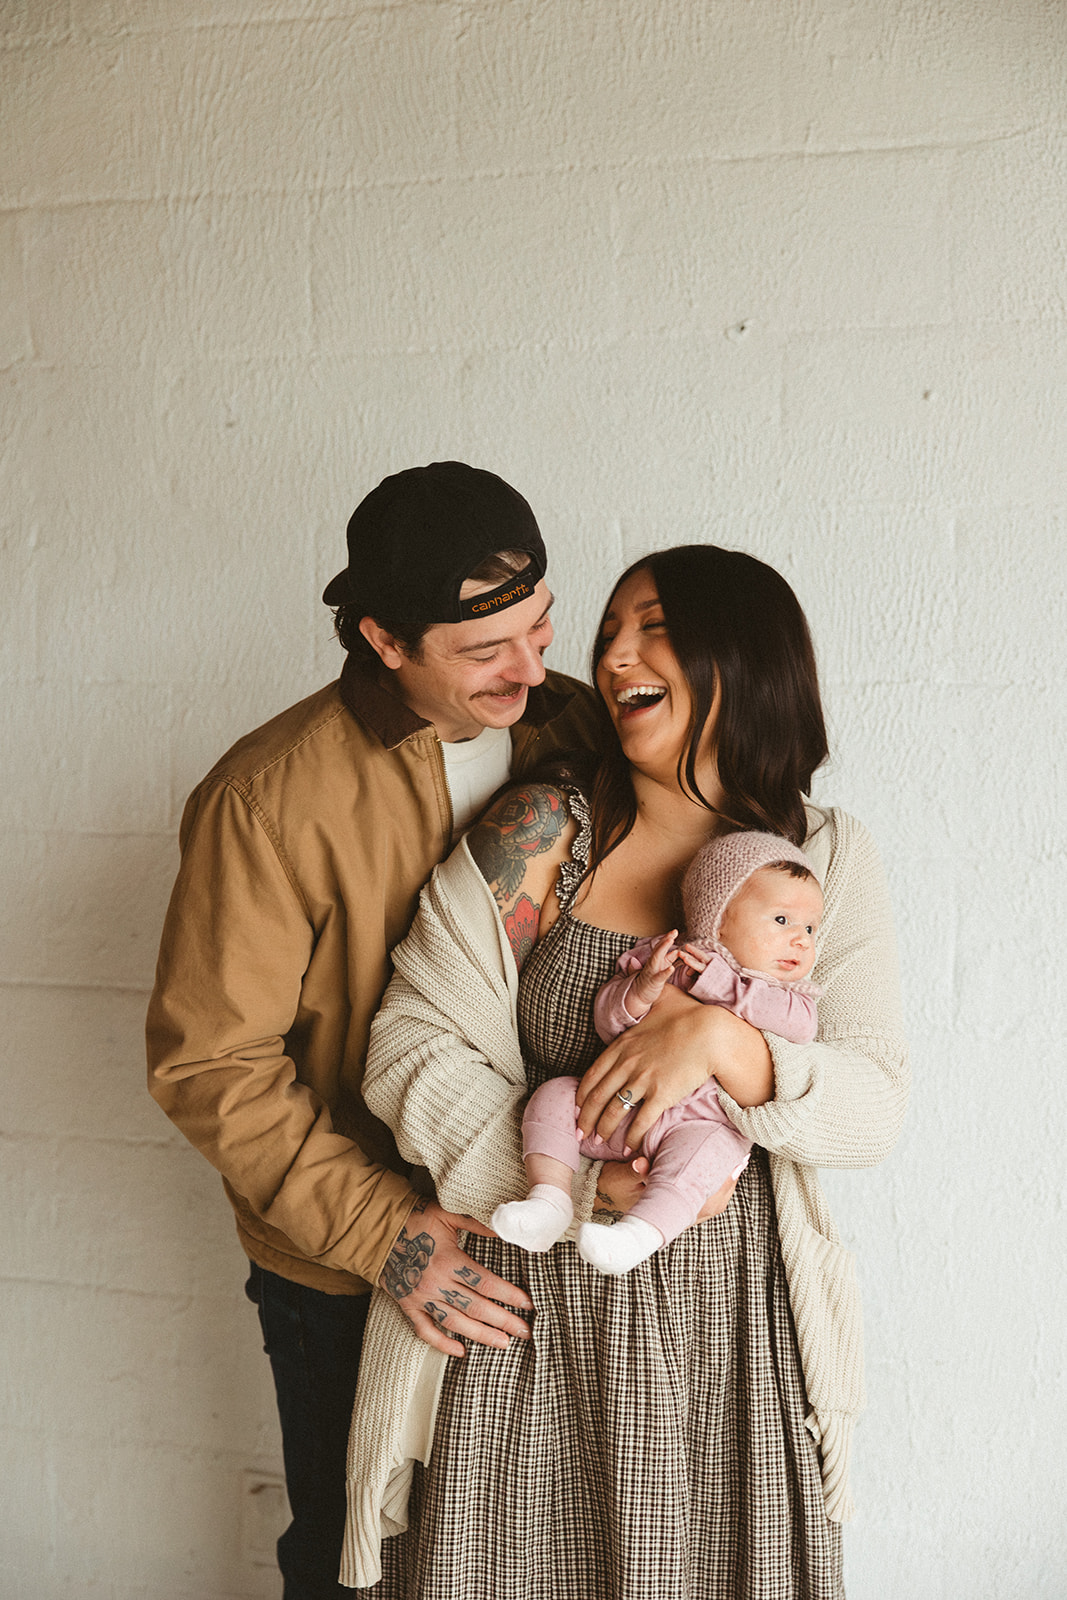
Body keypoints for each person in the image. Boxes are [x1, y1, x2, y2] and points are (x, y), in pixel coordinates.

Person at [341, 543, 910, 1599]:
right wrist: (562, 1182)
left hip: (727, 1340)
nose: (613, 655)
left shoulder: (820, 858)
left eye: (651, 626)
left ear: (738, 656)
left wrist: (718, 1043)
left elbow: (872, 1103)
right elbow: (410, 1041)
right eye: (608, 631)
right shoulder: (545, 829)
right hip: (523, 1318)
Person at [145, 462, 601, 1599]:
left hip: (533, 1221)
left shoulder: (576, 729)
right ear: (384, 639)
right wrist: (391, 1236)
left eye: (539, 626)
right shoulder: (265, 799)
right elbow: (211, 1064)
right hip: (353, 1265)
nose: (530, 670)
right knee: (359, 1564)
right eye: (484, 650)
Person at [492, 830, 824, 1276]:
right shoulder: (669, 958)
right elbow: (610, 1022)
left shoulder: (787, 995)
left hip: (700, 1125)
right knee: (553, 1097)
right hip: (614, 1112)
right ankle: (548, 1200)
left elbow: (800, 1028)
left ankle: (640, 1234)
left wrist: (724, 989)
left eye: (810, 928)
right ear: (719, 918)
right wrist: (641, 991)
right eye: (782, 921)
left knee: (704, 1161)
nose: (801, 940)